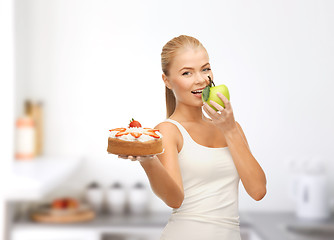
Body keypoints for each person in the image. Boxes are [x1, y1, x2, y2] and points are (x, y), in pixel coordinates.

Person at [120, 35, 267, 239]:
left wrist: (230, 130)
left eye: (205, 69)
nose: (200, 79)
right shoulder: (168, 130)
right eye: (187, 72)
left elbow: (258, 191)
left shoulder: (232, 128)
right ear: (167, 81)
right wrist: (148, 161)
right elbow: (174, 199)